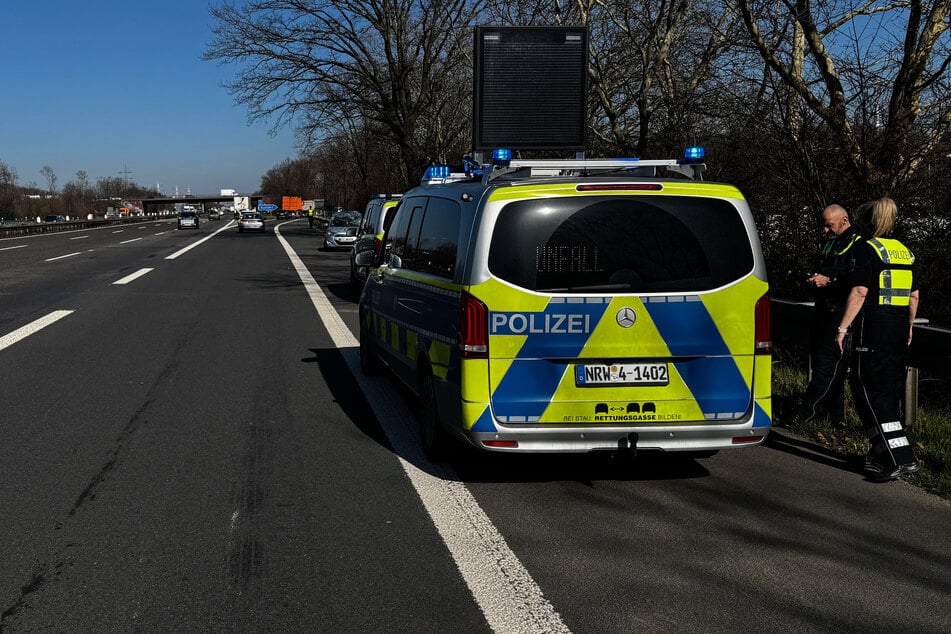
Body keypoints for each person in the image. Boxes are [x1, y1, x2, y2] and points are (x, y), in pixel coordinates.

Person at [835, 197, 920, 482]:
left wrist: (842, 328)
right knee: (886, 391)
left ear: (868, 221)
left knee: (866, 388)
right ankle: (899, 453)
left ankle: (891, 458)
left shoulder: (866, 248)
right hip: (898, 327)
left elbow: (860, 292)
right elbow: (913, 296)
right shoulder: (905, 252)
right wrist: (909, 325)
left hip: (872, 327)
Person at [796, 204, 862, 425]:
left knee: (828, 366)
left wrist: (829, 281)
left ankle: (805, 414)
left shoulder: (858, 244)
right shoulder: (832, 243)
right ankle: (835, 418)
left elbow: (857, 284)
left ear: (844, 221)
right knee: (828, 367)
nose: (824, 230)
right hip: (823, 308)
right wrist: (814, 280)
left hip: (841, 313)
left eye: (829, 225)